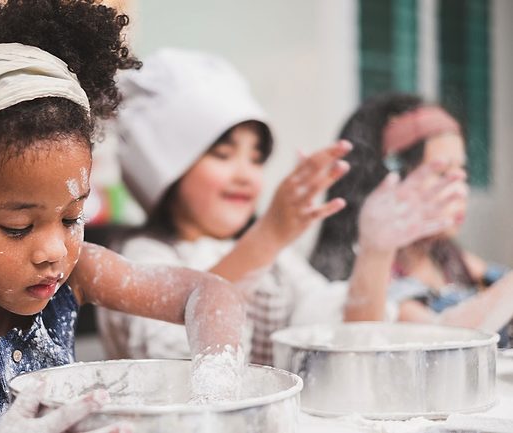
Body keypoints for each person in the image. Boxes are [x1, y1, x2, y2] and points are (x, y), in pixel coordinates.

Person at [0, 2, 247, 432]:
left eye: (71, 218)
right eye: (18, 228)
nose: (53, 252)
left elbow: (210, 294)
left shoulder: (78, 272)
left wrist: (214, 395)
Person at [98, 49, 466, 365]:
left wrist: (376, 250)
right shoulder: (141, 257)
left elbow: (346, 339)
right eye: (223, 154)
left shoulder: (279, 264)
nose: (245, 174)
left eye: (256, 159)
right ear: (168, 168)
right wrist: (268, 236)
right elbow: (173, 361)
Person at [311, 92, 513, 345]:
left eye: (462, 171)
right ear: (387, 183)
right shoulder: (369, 276)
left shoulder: (447, 257)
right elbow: (442, 341)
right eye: (441, 173)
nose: (460, 190)